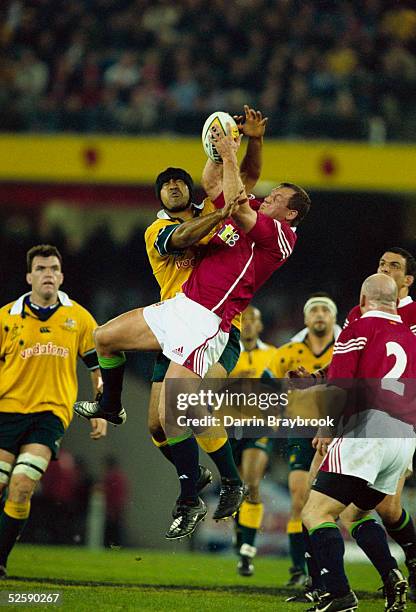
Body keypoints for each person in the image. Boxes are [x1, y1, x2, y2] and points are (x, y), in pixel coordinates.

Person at [74, 124, 311, 540]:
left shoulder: (280, 234)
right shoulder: (195, 220)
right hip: (178, 308)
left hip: (209, 321)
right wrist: (238, 147)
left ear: (289, 213)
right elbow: (219, 182)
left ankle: (213, 487)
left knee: (176, 411)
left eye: (276, 199)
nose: (266, 197)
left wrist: (231, 150)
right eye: (267, 196)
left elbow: (238, 195)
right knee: (104, 337)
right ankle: (111, 404)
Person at [145, 106, 268, 523]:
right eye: (167, 185)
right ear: (159, 197)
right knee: (157, 426)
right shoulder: (160, 231)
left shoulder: (214, 211)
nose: (175, 187)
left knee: (186, 405)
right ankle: (192, 472)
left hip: (218, 328)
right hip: (173, 329)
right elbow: (185, 236)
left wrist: (248, 144)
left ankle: (231, 482)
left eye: (181, 181)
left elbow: (243, 183)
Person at [291, 247, 416, 603]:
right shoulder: (409, 335)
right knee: (353, 511)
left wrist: (327, 430)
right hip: (403, 435)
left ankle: (337, 593)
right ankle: (390, 574)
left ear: (363, 299)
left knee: (315, 511)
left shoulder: (358, 325)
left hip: (366, 430)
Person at [0, 244, 106, 578]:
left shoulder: (79, 318)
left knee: (21, 486)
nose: (49, 274)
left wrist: (101, 410)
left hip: (49, 415)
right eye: (42, 268)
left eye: (54, 269)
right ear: (29, 276)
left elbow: (98, 367)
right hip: (6, 412)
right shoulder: (6, 317)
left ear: (61, 276)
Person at [273, 294, 338, 588]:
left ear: (334, 318)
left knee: (339, 508)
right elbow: (266, 384)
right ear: (305, 319)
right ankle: (300, 569)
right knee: (300, 498)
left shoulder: (345, 347)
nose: (320, 315)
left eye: (326, 310)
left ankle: (327, 571)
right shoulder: (287, 352)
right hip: (300, 429)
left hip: (337, 431)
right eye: (314, 310)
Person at [227, 305, 280, 577]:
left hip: (259, 426)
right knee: (235, 488)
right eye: (243, 319)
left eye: (253, 320)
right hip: (229, 427)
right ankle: (242, 531)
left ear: (260, 326)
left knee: (251, 482)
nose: (247, 324)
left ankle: (247, 550)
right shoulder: (226, 353)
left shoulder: (273, 355)